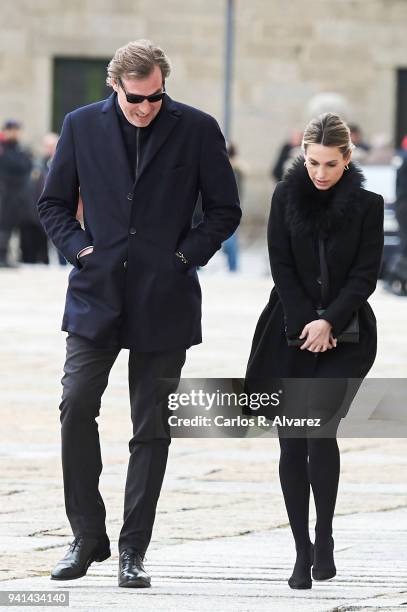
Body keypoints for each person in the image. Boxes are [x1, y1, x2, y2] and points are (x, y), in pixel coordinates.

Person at [37, 39, 241, 588]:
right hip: (95, 293)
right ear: (116, 87)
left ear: (163, 86)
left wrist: (184, 257)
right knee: (75, 406)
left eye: (154, 98)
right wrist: (81, 250)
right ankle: (86, 537)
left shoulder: (197, 129)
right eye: (135, 100)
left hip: (165, 295)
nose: (145, 108)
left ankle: (133, 551)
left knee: (152, 428)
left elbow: (225, 209)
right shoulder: (81, 126)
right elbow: (52, 203)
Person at [245, 113, 383, 589]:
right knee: (291, 438)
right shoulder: (286, 196)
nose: (320, 173)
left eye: (329, 163)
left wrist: (330, 321)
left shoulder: (368, 204)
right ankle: (302, 549)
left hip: (347, 334)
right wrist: (308, 320)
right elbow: (280, 264)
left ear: (347, 159)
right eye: (311, 163)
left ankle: (324, 532)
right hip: (289, 327)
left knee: (319, 431)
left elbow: (366, 275)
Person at [0, 120, 33, 267]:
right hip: (5, 195)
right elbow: (18, 165)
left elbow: (26, 166)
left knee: (10, 227)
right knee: (4, 227)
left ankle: (5, 256)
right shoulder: (4, 150)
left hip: (17, 197)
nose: (15, 133)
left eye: (17, 130)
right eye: (12, 130)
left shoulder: (19, 150)